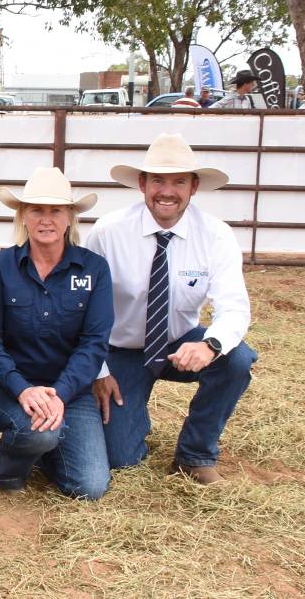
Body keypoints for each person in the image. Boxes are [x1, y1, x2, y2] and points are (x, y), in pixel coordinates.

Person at [85, 133, 257, 485]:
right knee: (120, 459)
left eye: (179, 181)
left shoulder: (216, 235)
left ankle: (194, 456)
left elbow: (235, 308)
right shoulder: (109, 231)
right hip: (121, 350)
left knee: (236, 359)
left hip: (181, 344)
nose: (168, 191)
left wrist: (209, 345)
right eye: (158, 180)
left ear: (194, 187)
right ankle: (130, 423)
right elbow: (84, 308)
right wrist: (98, 371)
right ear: (141, 183)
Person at [0, 167, 114, 498]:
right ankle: (10, 468)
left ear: (70, 218)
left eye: (56, 211)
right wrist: (23, 390)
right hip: (4, 388)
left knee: (89, 487)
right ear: (23, 216)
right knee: (39, 432)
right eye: (36, 210)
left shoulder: (94, 269)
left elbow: (94, 345)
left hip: (70, 393)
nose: (46, 220)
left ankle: (44, 449)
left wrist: (59, 394)